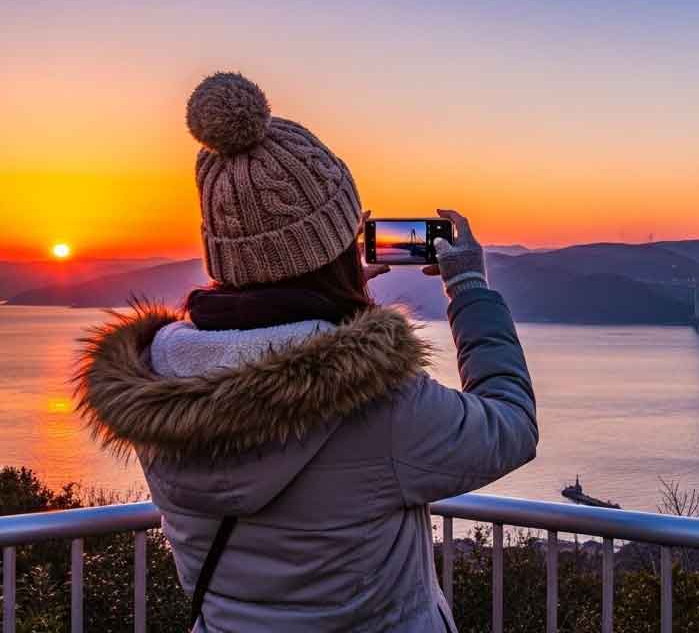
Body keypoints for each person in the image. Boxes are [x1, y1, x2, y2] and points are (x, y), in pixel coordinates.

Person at [75, 72, 538, 632]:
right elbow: (509, 425)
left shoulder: (156, 385)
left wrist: (330, 297)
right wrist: (469, 289)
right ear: (342, 247)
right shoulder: (377, 400)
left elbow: (264, 344)